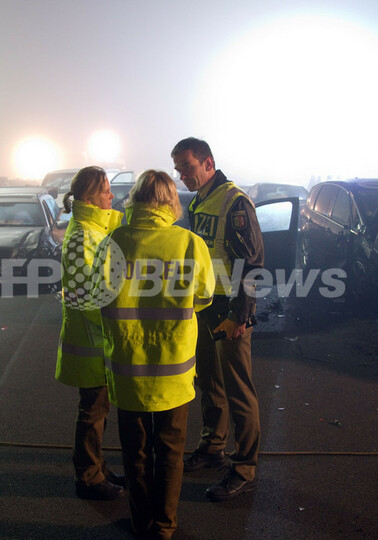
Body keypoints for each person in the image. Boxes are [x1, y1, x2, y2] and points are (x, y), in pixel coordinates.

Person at [97, 170, 214, 539]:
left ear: (135, 200)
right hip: (174, 374)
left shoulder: (114, 241)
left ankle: (140, 522)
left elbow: (99, 294)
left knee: (136, 454)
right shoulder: (190, 244)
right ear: (169, 201)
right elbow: (204, 297)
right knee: (171, 453)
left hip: (129, 370)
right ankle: (165, 527)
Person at [171, 137, 264, 502]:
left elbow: (252, 265)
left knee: (238, 389)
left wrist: (240, 315)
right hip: (205, 305)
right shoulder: (199, 200)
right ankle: (213, 447)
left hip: (229, 308)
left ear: (208, 163)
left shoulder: (234, 201)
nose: (182, 176)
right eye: (178, 169)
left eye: (187, 167)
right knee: (208, 380)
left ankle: (244, 467)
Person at [55, 166, 125, 500]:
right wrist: (115, 328)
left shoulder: (93, 230)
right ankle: (88, 476)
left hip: (95, 338)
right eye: (105, 190)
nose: (111, 196)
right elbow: (88, 296)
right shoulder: (83, 234)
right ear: (88, 198)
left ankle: (97, 466)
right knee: (92, 410)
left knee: (98, 409)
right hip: (91, 339)